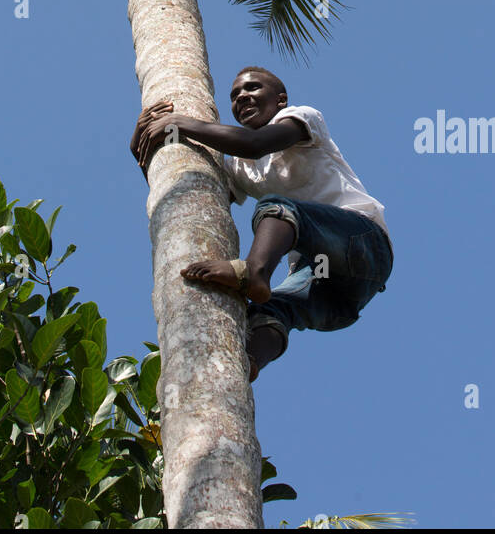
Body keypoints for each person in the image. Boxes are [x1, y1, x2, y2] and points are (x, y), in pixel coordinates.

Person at [131, 66, 393, 381]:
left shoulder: (303, 119)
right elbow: (194, 195)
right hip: (338, 293)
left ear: (280, 100)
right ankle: (246, 366)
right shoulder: (241, 167)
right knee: (267, 311)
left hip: (363, 243)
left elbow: (254, 143)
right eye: (235, 96)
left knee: (277, 207)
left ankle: (253, 270)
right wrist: (145, 146)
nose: (242, 97)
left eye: (252, 88)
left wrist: (180, 123)